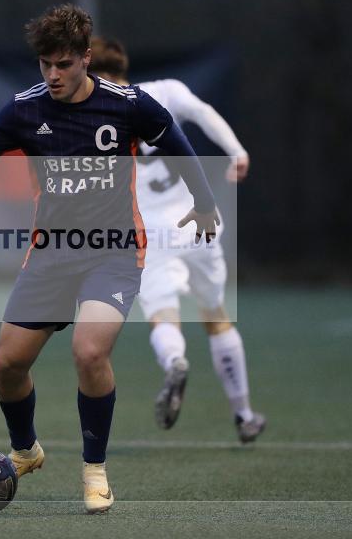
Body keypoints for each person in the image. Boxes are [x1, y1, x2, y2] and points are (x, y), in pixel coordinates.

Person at [0, 5, 219, 513]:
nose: (53, 75)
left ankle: (95, 470)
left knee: (89, 352)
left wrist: (203, 203)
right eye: (45, 64)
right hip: (50, 257)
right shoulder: (25, 109)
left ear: (87, 59)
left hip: (113, 254)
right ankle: (26, 450)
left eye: (63, 64)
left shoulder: (128, 104)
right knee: (7, 364)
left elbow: (177, 144)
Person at [88, 36, 266, 443]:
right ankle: (244, 414)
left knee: (162, 316)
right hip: (197, 220)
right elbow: (203, 114)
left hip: (148, 234)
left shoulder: (92, 118)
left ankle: (175, 361)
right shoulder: (163, 91)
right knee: (217, 316)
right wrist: (236, 150)